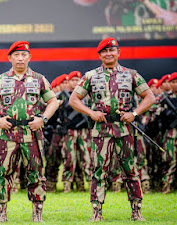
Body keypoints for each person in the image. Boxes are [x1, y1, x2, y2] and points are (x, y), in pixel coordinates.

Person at [69, 37, 156, 221]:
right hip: (101, 131)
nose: (108, 54)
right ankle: (97, 212)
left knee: (130, 171)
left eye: (112, 50)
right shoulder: (91, 76)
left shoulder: (131, 74)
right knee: (99, 171)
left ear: (118, 52)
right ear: (100, 55)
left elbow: (149, 97)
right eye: (104, 51)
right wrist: (90, 112)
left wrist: (134, 112)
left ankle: (136, 210)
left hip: (124, 130)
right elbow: (74, 100)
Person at [0, 41, 58, 222]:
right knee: (3, 173)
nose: (20, 58)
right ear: (10, 58)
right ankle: (1, 212)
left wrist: (43, 119)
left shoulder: (39, 79)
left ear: (29, 57)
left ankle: (37, 212)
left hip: (32, 134)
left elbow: (53, 101)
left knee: (36, 173)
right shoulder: (1, 80)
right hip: (7, 134)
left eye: (24, 55)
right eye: (16, 55)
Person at [61, 71, 92, 193]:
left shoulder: (86, 97)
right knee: (69, 158)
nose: (75, 83)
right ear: (68, 82)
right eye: (72, 80)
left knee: (88, 158)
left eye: (77, 80)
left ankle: (90, 184)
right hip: (69, 131)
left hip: (84, 131)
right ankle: (67, 185)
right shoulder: (62, 96)